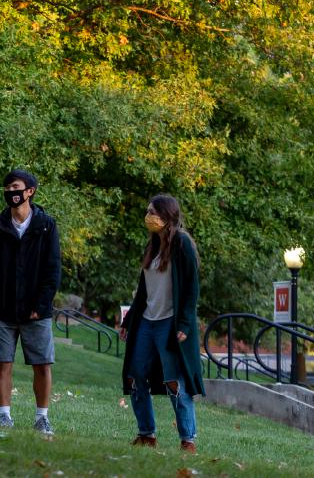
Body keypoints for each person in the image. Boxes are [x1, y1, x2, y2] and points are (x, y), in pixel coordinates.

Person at [0, 169, 61, 435]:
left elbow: (53, 269)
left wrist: (42, 304)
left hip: (37, 311)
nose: (11, 192)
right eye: (7, 187)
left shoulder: (46, 225)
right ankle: (4, 416)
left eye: (16, 187)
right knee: (3, 362)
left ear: (30, 191)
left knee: (42, 364)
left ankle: (42, 417)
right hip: (4, 307)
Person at [119, 194, 203, 453]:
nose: (149, 216)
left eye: (154, 212)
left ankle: (187, 439)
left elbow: (191, 288)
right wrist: (129, 320)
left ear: (168, 216)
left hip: (170, 322)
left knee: (174, 381)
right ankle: (147, 433)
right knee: (135, 377)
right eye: (148, 211)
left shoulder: (182, 244)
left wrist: (185, 325)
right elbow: (144, 289)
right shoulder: (152, 245)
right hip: (146, 321)